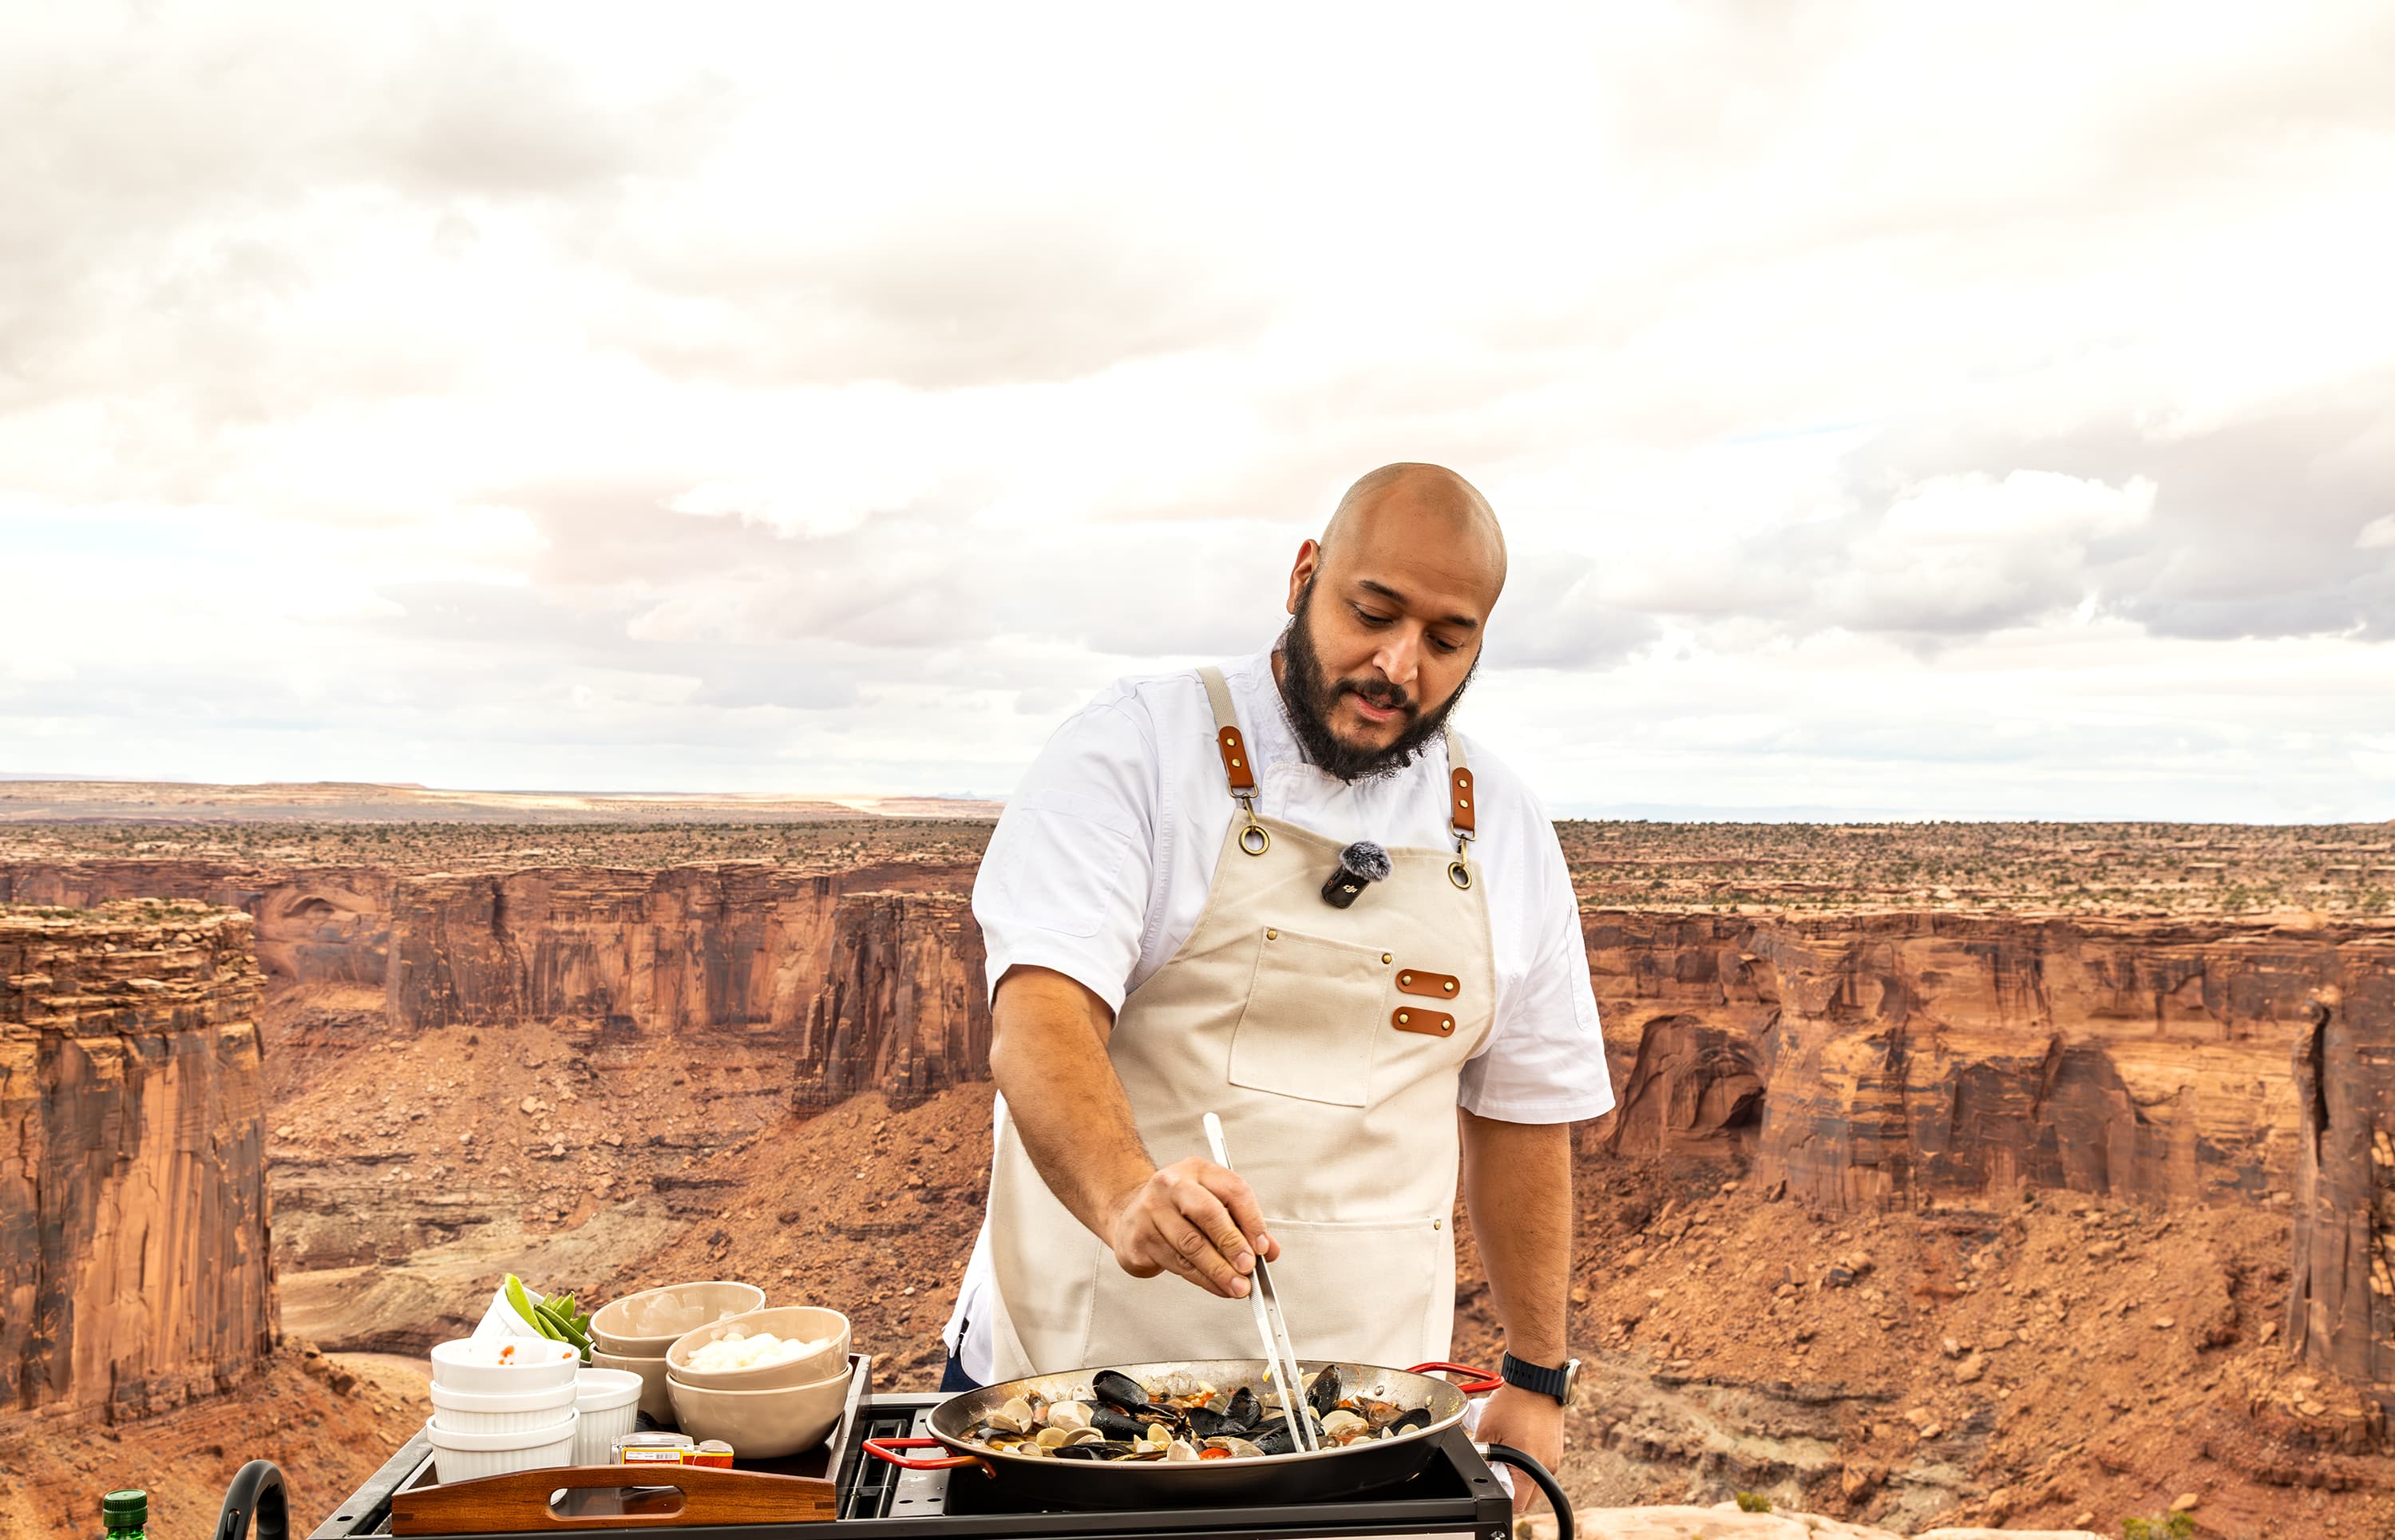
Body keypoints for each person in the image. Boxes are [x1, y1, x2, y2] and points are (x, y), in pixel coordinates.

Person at [940, 463, 1614, 1487]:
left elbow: (1526, 1107)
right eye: (1372, 611)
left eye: (1446, 639)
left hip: (1369, 1424)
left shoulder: (1505, 824)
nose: (1398, 665)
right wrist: (1127, 1197)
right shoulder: (1135, 749)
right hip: (1076, 1411)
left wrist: (1536, 1371)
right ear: (1304, 576)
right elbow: (1040, 1017)